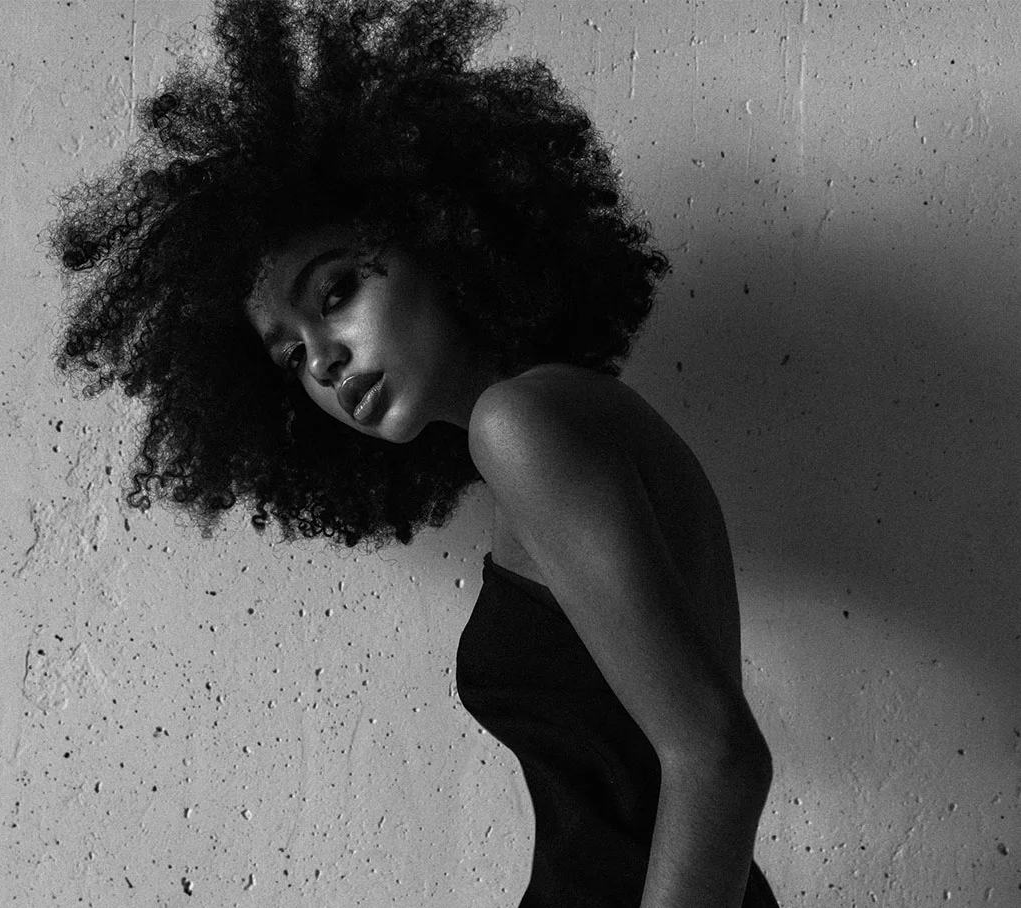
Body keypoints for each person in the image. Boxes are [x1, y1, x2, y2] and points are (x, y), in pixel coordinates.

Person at [46, 1, 780, 905]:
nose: (322, 359)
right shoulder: (556, 427)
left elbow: (719, 760)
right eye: (290, 357)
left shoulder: (523, 423)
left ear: (440, 229)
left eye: (338, 290)